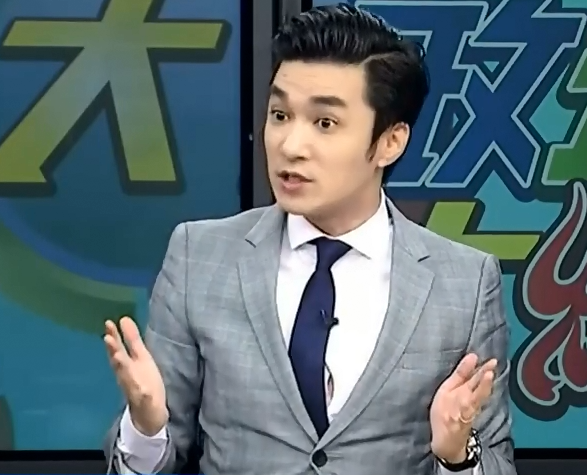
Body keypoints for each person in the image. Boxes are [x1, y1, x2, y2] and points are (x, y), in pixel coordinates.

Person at [103, 4, 516, 474]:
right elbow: (152, 461)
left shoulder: (464, 284)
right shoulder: (199, 257)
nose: (290, 145)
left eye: (324, 123)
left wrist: (457, 455)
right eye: (280, 114)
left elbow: (497, 459)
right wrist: (146, 428)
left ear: (390, 142)